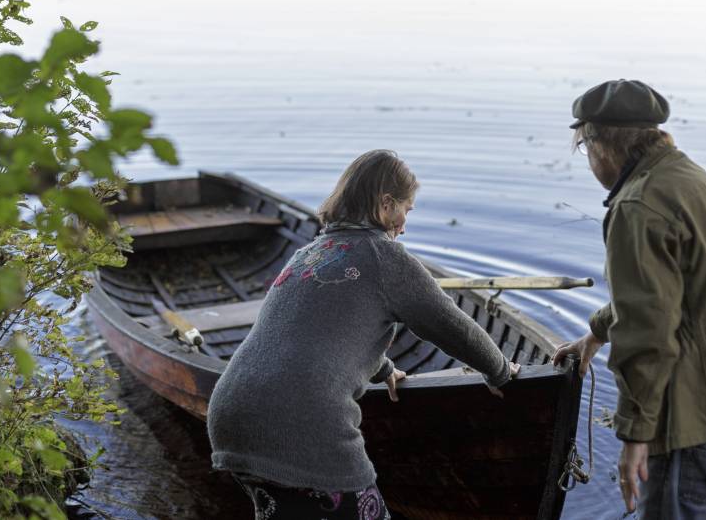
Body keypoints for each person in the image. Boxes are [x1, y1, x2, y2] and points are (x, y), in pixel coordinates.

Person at [207, 149, 520, 520]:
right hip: (300, 423)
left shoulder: (307, 254)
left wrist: (384, 369)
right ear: (386, 204)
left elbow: (318, 331)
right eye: (407, 209)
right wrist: (499, 370)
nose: (404, 225)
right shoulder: (385, 257)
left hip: (231, 414)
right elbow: (450, 325)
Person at [552, 79, 706, 519]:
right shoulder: (697, 183)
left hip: (698, 423)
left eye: (584, 148)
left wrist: (635, 436)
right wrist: (596, 333)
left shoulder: (637, 207)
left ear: (601, 146)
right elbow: (672, 295)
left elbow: (647, 334)